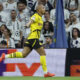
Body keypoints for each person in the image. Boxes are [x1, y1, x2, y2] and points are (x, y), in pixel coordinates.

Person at [0, 4, 55, 77]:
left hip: (30, 38)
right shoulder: (36, 15)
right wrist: (28, 24)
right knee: (43, 53)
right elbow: (31, 20)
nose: (44, 9)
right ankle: (45, 73)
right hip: (33, 38)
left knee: (23, 54)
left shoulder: (41, 18)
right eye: (43, 7)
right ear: (38, 9)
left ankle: (5, 56)